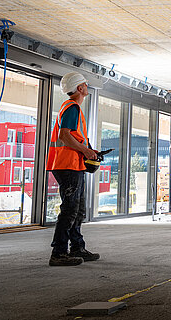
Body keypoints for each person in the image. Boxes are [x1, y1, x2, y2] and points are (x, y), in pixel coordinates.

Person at [47, 72, 100, 266]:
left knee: (77, 209)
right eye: (85, 84)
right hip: (66, 165)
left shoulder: (73, 108)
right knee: (70, 209)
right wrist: (85, 150)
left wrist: (88, 150)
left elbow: (73, 137)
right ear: (80, 88)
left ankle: (77, 247)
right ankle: (59, 252)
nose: (87, 87)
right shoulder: (72, 108)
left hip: (73, 165)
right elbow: (64, 136)